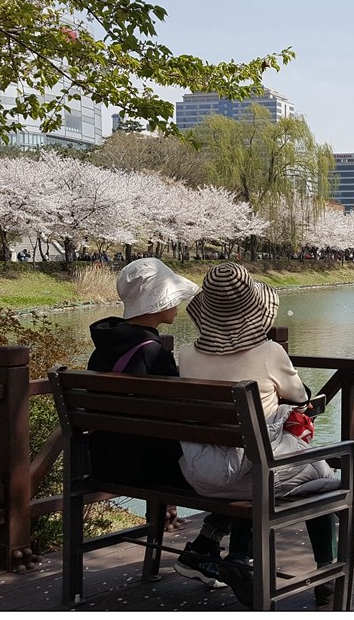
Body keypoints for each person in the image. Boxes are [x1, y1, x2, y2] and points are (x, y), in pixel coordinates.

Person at [177, 262, 354, 608]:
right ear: (255, 311)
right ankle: (327, 569)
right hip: (255, 475)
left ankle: (241, 555)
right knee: (317, 473)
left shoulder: (186, 355)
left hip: (201, 473)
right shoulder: (269, 352)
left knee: (282, 458)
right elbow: (300, 396)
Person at [85, 258, 254, 606]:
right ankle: (218, 555)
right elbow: (188, 420)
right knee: (247, 474)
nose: (177, 303)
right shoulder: (154, 355)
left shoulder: (101, 352)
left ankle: (203, 551)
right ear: (160, 302)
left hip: (106, 465)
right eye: (173, 296)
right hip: (155, 472)